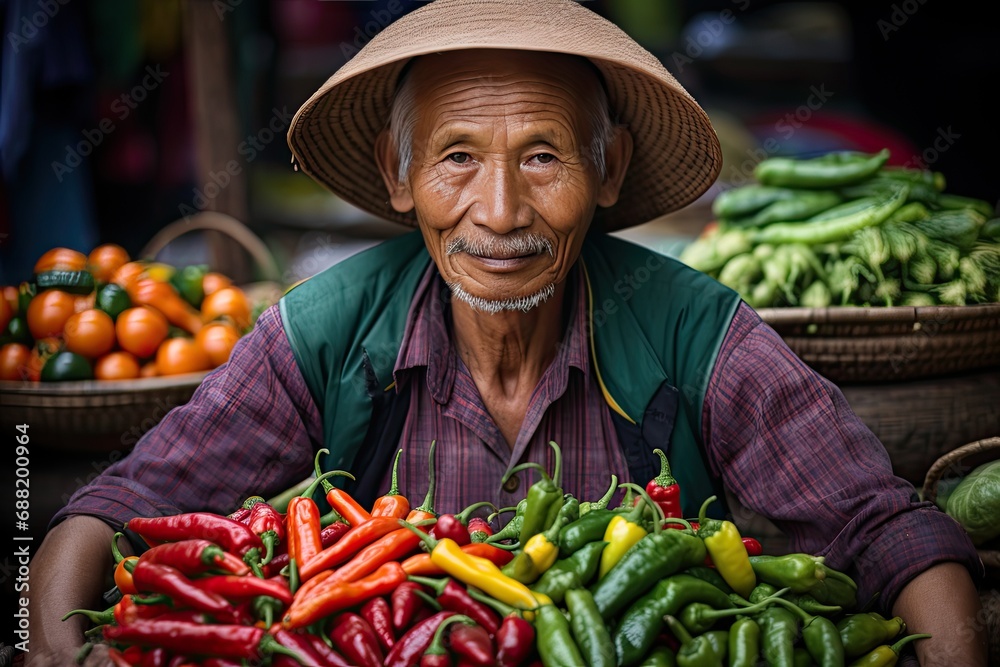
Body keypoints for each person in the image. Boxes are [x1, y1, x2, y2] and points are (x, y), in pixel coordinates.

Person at [26, 0, 987, 665]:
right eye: (455, 157)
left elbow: (885, 529)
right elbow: (122, 506)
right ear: (397, 176)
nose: (498, 212)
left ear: (608, 171)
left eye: (542, 156)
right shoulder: (326, 334)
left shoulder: (694, 334)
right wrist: (56, 644)